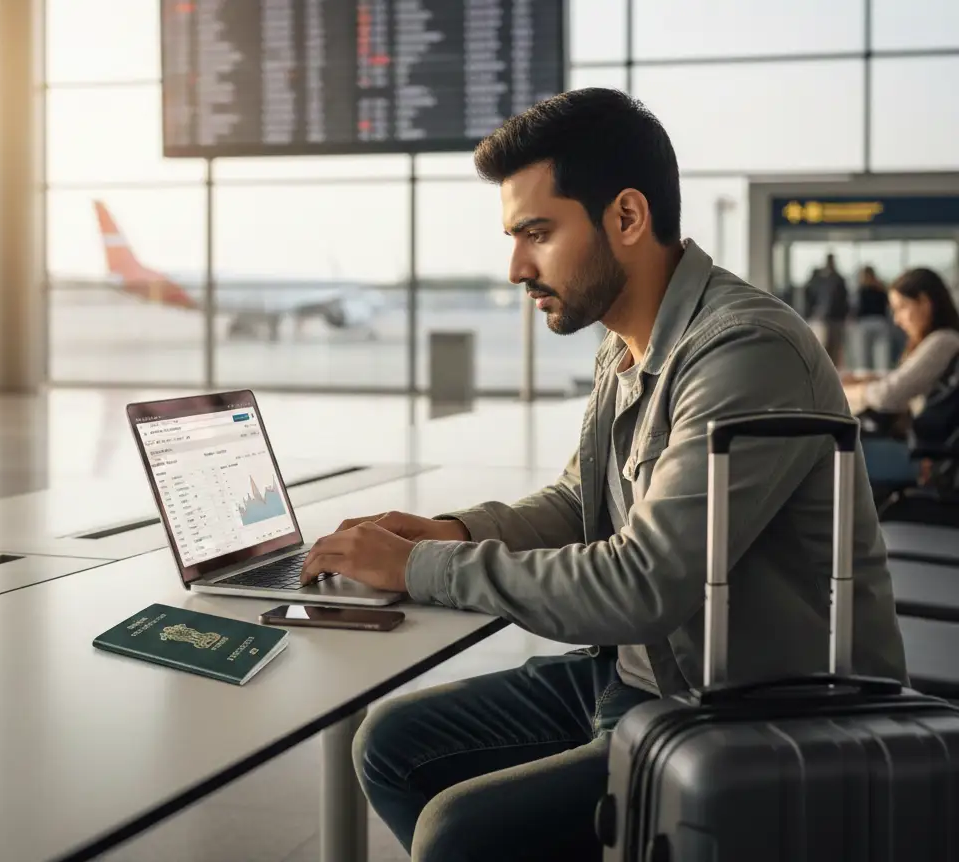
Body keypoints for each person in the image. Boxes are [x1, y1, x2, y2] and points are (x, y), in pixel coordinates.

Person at [299, 88, 909, 862]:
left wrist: (422, 567)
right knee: (392, 742)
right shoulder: (627, 346)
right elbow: (577, 500)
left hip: (755, 710)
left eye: (537, 233)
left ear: (626, 218)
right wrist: (454, 531)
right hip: (648, 676)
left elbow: (642, 583)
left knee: (461, 835)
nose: (517, 266)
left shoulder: (746, 352)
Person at [844, 267, 959, 485]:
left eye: (902, 308)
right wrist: (866, 380)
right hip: (923, 451)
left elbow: (889, 395)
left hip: (924, 458)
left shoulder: (944, 341)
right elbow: (902, 378)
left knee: (830, 454)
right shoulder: (940, 341)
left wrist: (849, 391)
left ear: (925, 302)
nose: (896, 320)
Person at [803, 253, 850, 368]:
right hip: (828, 319)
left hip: (832, 319)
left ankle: (831, 371)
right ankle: (830, 371)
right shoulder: (832, 280)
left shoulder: (831, 280)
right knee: (828, 347)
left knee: (831, 348)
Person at [853, 265, 891, 372]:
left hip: (865, 323)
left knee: (863, 357)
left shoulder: (861, 290)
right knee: (882, 355)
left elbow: (856, 309)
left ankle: (865, 377)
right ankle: (882, 376)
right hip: (879, 321)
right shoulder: (881, 289)